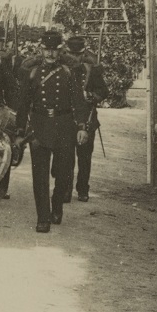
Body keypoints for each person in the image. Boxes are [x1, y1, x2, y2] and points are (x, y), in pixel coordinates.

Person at [16, 30, 78, 233]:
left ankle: (57, 202)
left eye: (55, 50)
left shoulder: (69, 72)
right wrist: (19, 130)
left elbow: (80, 101)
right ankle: (43, 217)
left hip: (64, 125)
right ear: (41, 50)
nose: (50, 54)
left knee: (64, 173)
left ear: (60, 51)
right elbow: (23, 104)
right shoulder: (32, 72)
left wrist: (83, 127)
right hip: (39, 126)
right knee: (39, 175)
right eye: (47, 50)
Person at [69, 35, 109, 203]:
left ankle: (82, 189)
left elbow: (104, 91)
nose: (75, 58)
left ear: (83, 53)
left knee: (84, 158)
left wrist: (92, 96)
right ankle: (64, 189)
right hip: (67, 119)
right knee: (66, 157)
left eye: (78, 55)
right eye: (72, 54)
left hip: (87, 117)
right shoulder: (62, 69)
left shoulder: (91, 70)